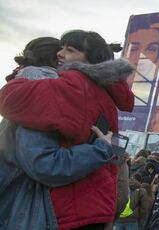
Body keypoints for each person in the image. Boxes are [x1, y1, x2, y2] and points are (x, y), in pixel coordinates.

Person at [0, 30, 135, 229]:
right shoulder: (107, 93)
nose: (60, 54)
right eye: (60, 48)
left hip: (68, 211)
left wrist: (23, 78)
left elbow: (10, 99)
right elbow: (115, 150)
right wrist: (110, 211)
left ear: (90, 59)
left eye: (69, 50)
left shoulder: (73, 84)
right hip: (94, 207)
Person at [119, 13, 159, 131]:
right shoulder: (105, 91)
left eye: (151, 49)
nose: (140, 58)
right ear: (125, 51)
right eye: (134, 49)